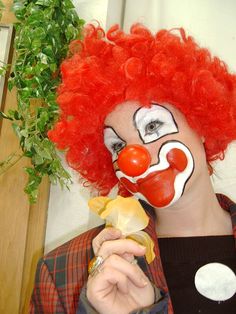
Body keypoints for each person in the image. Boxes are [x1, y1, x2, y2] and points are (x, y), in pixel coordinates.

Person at [30, 23, 236, 314]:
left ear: (201, 124)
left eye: (152, 126)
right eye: (116, 146)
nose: (133, 158)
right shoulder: (66, 271)